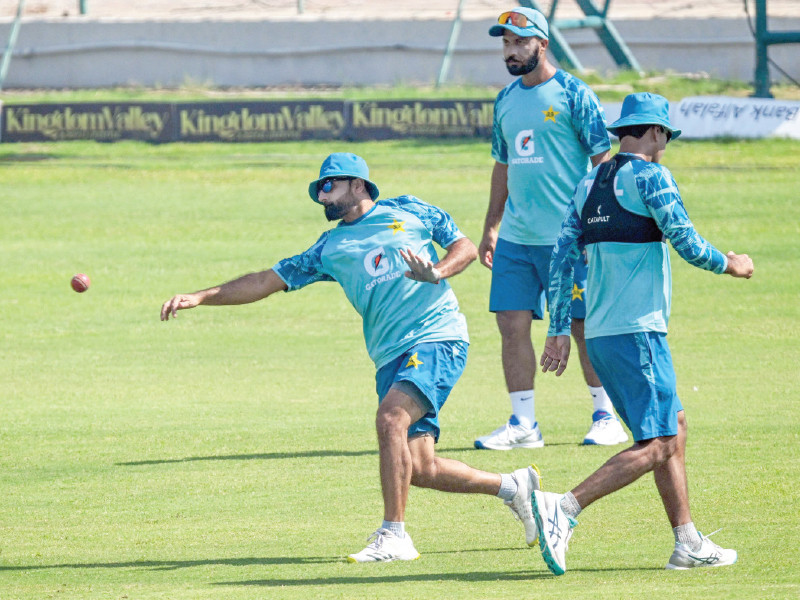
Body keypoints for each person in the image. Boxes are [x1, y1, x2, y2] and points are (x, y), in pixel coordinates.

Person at [160, 152, 543, 563]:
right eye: (319, 190)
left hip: (437, 337)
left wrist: (437, 271)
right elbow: (264, 281)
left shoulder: (410, 210)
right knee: (420, 467)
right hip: (390, 356)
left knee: (390, 419)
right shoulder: (329, 247)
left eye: (329, 186)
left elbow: (464, 247)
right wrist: (200, 297)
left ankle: (394, 535)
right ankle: (514, 487)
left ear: (358, 184)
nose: (323, 197)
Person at [531, 93, 754, 575]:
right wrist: (731, 264)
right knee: (656, 442)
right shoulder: (652, 176)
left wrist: (556, 330)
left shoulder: (589, 181)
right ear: (654, 132)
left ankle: (688, 541)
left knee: (673, 426)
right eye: (666, 135)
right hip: (639, 333)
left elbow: (559, 256)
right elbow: (687, 242)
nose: (666, 144)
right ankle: (564, 507)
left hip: (603, 336)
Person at [475, 6, 627, 450]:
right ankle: (524, 425)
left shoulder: (575, 94)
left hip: (569, 239)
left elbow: (603, 162)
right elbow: (502, 166)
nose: (511, 51)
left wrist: (598, 222)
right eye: (505, 43)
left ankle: (605, 415)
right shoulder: (505, 99)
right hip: (517, 240)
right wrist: (491, 227)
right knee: (511, 323)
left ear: (543, 43)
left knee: (581, 326)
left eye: (520, 42)